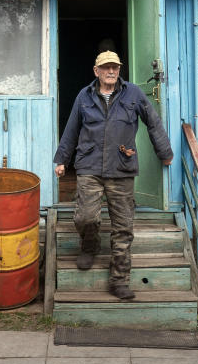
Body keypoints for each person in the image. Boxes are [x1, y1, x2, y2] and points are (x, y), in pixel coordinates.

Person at [53, 50, 173, 300]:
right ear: (96, 71)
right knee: (85, 217)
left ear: (120, 70)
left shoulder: (133, 94)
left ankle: (119, 280)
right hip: (90, 165)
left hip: (121, 166)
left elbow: (153, 122)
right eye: (106, 67)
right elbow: (72, 128)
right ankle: (89, 244)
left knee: (123, 227)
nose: (111, 71)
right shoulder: (84, 96)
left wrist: (165, 151)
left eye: (115, 68)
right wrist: (62, 159)